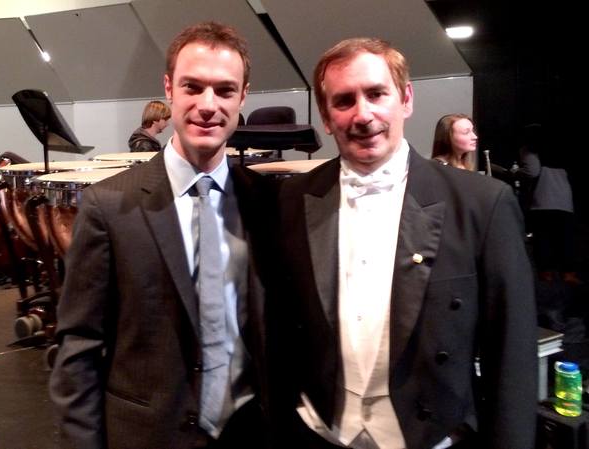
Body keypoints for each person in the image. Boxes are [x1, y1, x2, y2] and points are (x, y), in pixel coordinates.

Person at [271, 37, 537, 449]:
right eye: (344, 101)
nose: (363, 115)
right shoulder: (292, 199)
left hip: (431, 438)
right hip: (320, 433)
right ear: (325, 117)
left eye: (377, 94)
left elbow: (512, 354)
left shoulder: (483, 203)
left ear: (406, 99)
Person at [50, 22, 275, 449]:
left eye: (225, 90)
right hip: (149, 436)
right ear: (169, 88)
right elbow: (79, 347)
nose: (208, 105)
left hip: (249, 434)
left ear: (243, 97)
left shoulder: (265, 201)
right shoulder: (108, 206)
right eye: (193, 87)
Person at [518, 123, 579, 285]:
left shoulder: (529, 150)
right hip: (564, 201)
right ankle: (569, 273)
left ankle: (546, 274)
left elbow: (532, 171)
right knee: (565, 239)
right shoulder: (560, 148)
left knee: (543, 239)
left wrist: (517, 173)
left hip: (542, 199)